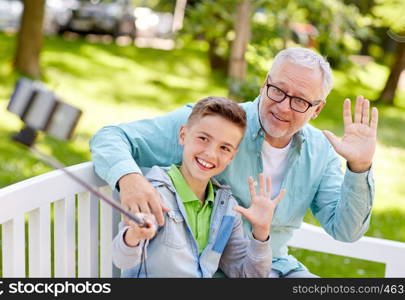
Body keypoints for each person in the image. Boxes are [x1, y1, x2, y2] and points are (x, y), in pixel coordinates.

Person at [90, 47, 378, 278]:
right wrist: (129, 179)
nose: (283, 106)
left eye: (300, 101)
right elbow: (110, 137)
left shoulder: (321, 152)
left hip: (272, 268)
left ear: (317, 109)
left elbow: (346, 231)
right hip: (211, 269)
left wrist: (360, 167)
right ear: (265, 82)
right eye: (278, 90)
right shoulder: (217, 125)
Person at [111, 96, 285, 277]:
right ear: (183, 135)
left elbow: (248, 275)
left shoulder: (228, 211)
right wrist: (134, 234)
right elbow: (121, 259)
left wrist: (261, 232)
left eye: (224, 148)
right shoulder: (154, 195)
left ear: (232, 156)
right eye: (203, 138)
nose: (210, 153)